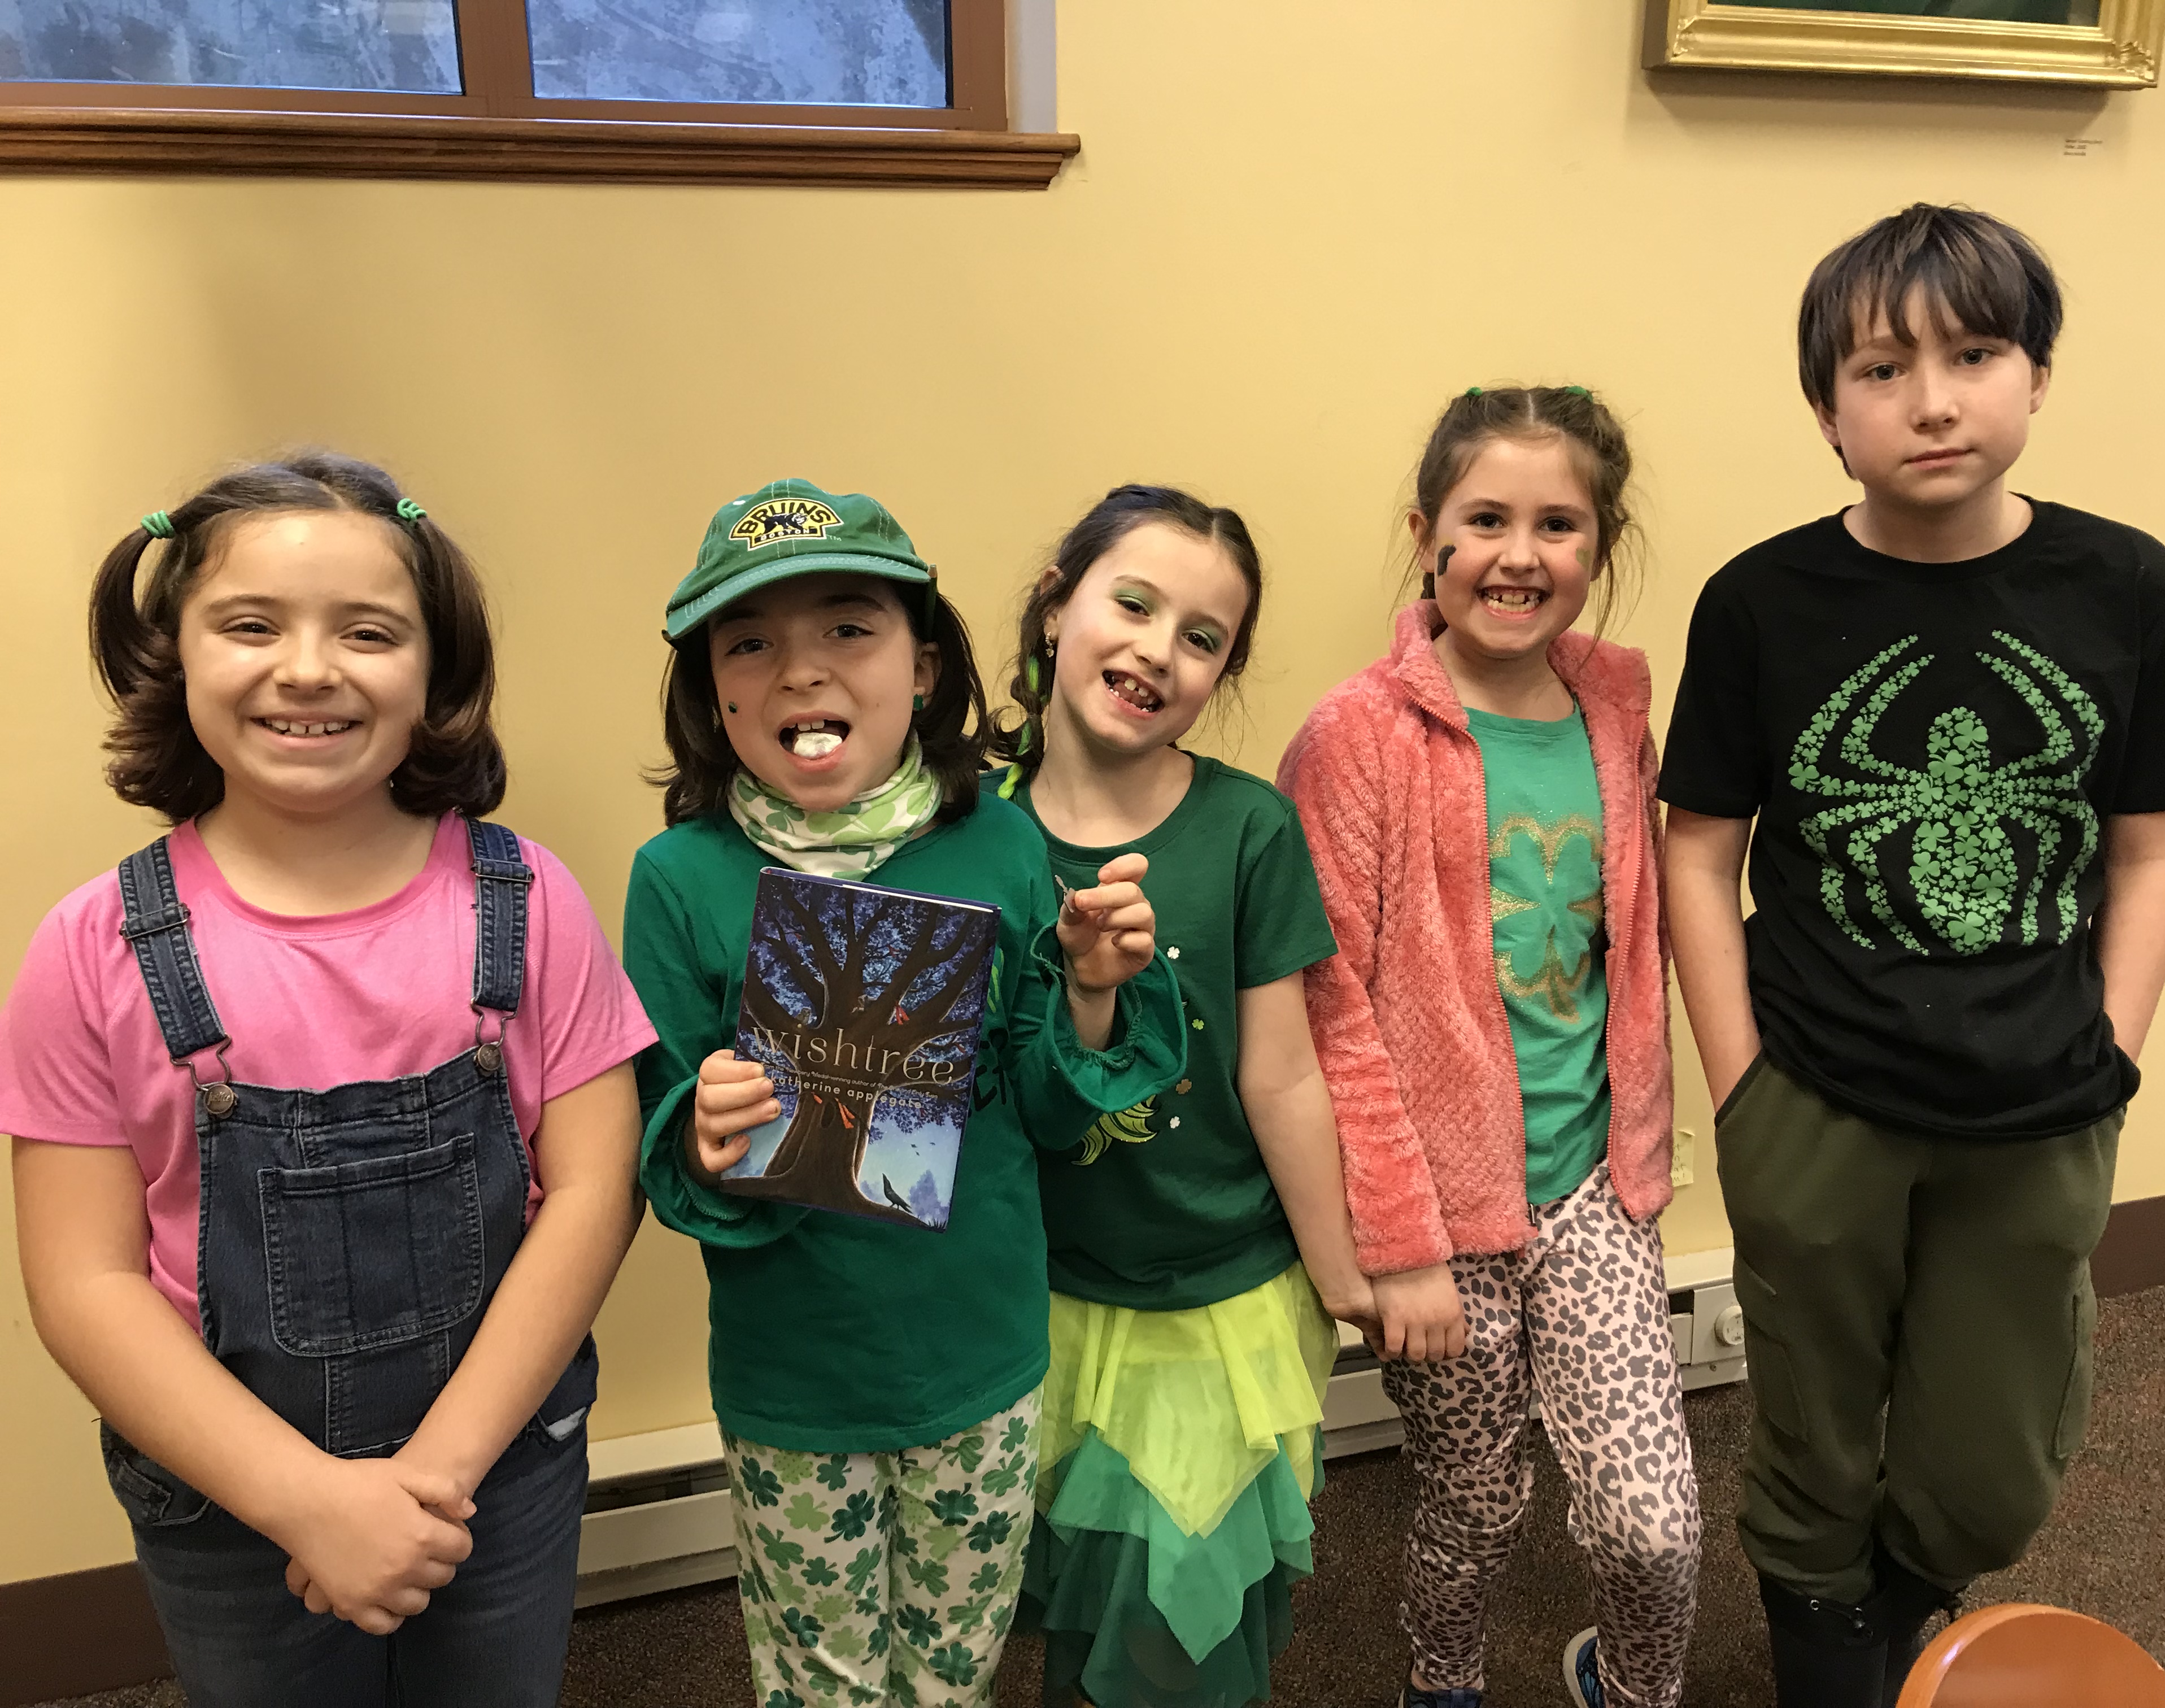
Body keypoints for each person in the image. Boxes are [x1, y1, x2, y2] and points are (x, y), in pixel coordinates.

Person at [1658, 204, 2165, 1707]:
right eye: (1881, 369)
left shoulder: (2128, 587)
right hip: (1816, 1090)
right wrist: (1743, 1090)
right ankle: (1831, 1647)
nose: (1932, 401)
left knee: (1993, 1473)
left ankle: (1904, 1597)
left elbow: (2153, 847)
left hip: (2043, 1096)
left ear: (2036, 375)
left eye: (1974, 355)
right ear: (1826, 410)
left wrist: (2114, 1053)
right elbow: (1699, 849)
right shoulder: (1763, 602)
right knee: (1813, 1430)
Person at [2, 452, 654, 1707]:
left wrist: (436, 1479)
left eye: (368, 631)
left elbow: (594, 1191)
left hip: (498, 1474)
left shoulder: (531, 899)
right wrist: (306, 1501)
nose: (308, 669)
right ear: (173, 653)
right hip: (225, 1503)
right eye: (251, 625)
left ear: (435, 671)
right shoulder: (90, 949)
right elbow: (82, 1281)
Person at [622, 479, 1188, 1708]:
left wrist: (1093, 992)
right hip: (794, 1376)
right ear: (712, 692)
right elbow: (659, 1147)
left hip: (980, 1353)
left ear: (925, 670)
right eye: (749, 643)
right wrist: (705, 1132)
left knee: (955, 1669)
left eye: (848, 628)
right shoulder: (678, 879)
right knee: (823, 1681)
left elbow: (1049, 1110)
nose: (800, 670)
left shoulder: (1000, 845)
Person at [1280, 387, 1701, 1708]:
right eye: (1486, 520)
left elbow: (1637, 940)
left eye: (1558, 524)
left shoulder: (1616, 708)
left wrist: (1646, 1142)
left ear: (1600, 543)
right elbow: (1328, 1006)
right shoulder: (1354, 737)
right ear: (1428, 536)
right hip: (1439, 1209)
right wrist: (1396, 1244)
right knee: (1472, 1500)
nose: (1520, 555)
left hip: (1592, 1183)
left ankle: (1630, 1688)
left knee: (1653, 1528)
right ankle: (1443, 1680)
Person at [986, 485, 1377, 1708]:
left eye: (1202, 637)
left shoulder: (1249, 829)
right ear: (1056, 606)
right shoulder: (970, 835)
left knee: (1175, 1649)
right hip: (1031, 1297)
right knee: (1051, 1619)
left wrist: (1345, 1274)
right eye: (1134, 604)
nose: (1160, 650)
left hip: (1217, 1302)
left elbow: (1282, 1070)